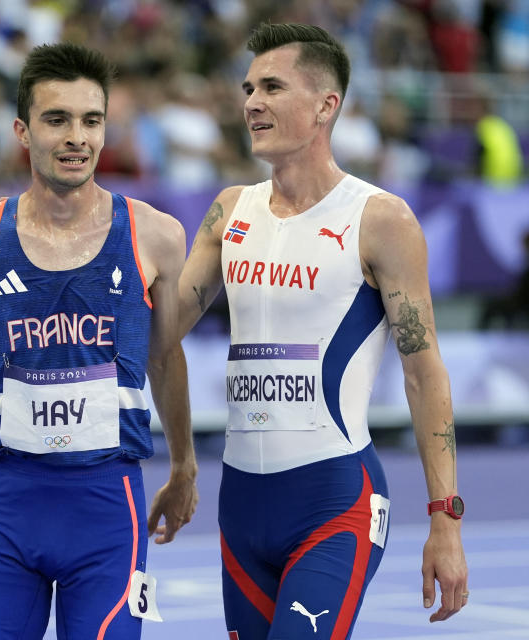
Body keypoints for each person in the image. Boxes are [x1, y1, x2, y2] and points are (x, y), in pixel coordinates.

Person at [0, 43, 198, 640]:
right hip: (7, 508)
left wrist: (185, 467)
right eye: (57, 120)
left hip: (108, 512)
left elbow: (164, 357)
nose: (77, 137)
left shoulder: (158, 236)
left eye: (91, 120)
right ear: (23, 130)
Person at [177, 23, 468, 638]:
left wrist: (446, 519)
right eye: (249, 87)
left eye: (273, 87)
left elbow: (424, 373)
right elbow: (162, 327)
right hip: (241, 507)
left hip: (333, 503)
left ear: (325, 106)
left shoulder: (380, 219)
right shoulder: (230, 211)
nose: (251, 102)